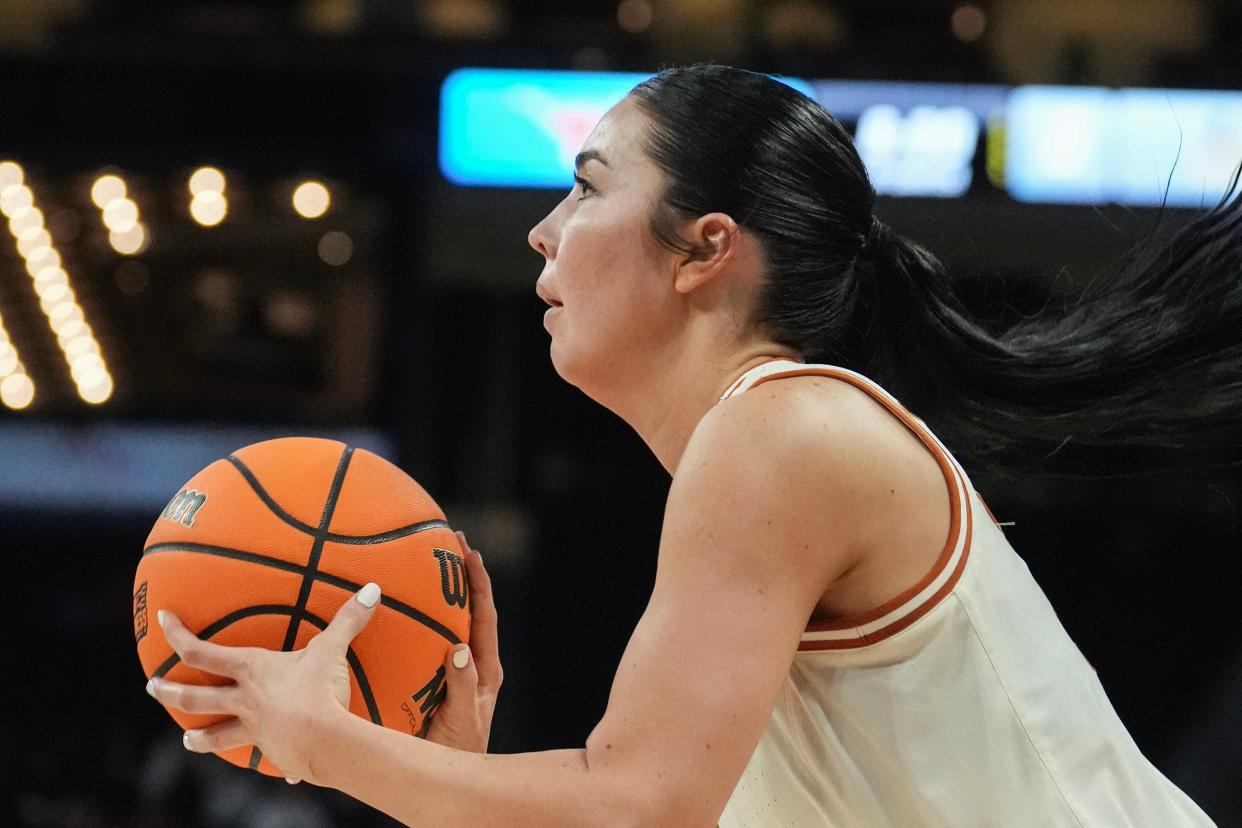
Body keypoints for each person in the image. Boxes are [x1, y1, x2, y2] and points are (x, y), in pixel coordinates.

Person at [145, 65, 1237, 826]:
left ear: (704, 249)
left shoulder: (783, 432)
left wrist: (323, 738)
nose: (543, 229)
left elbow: (634, 810)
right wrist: (448, 786)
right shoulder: (770, 476)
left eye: (586, 184)